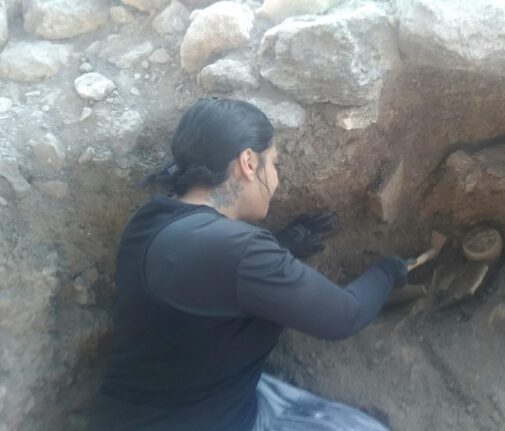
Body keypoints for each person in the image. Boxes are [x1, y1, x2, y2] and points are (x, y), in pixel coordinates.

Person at [90, 98, 407, 431]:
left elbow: (203, 280)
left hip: (147, 412)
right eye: (273, 163)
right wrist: (388, 271)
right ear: (247, 162)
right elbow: (345, 316)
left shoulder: (149, 219)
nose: (277, 179)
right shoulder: (239, 251)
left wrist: (287, 244)